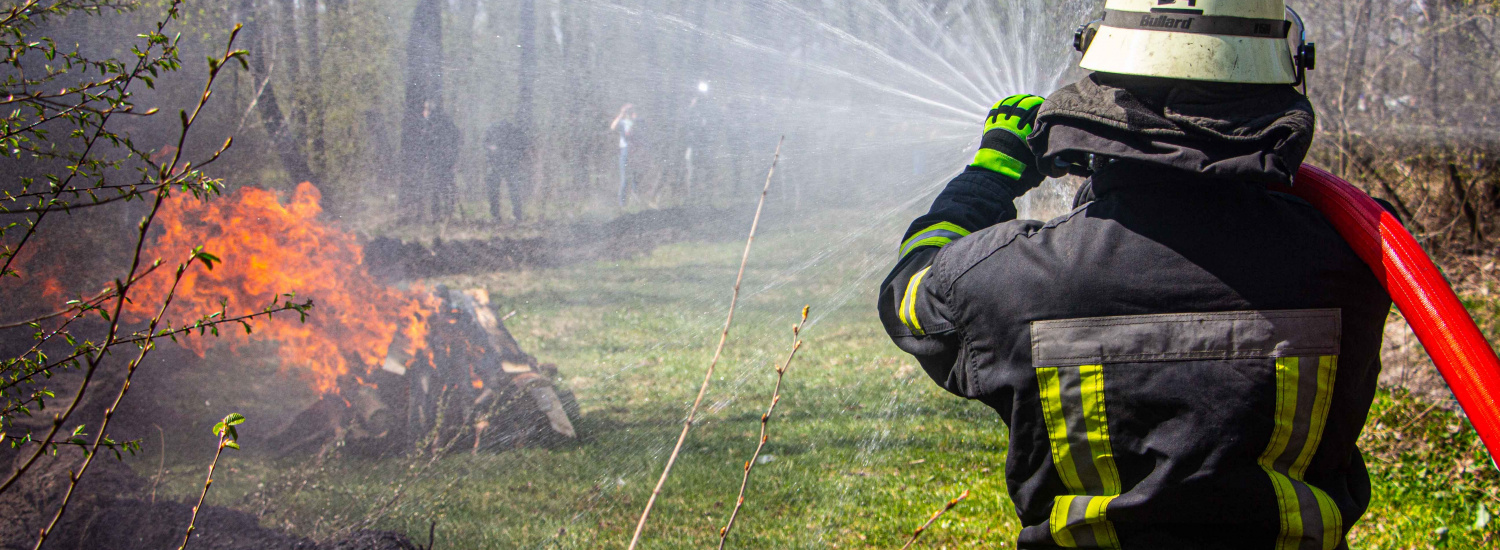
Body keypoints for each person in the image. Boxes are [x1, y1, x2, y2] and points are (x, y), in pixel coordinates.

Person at [879, 1, 1390, 548]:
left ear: (1098, 76)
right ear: (1287, 71)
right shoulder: (1356, 259)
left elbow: (909, 288)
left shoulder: (1014, 280)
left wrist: (993, 170)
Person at [484, 120, 527, 222]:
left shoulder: (515, 130)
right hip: (499, 164)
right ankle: (497, 215)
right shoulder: (493, 129)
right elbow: (486, 144)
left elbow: (522, 147)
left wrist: (514, 157)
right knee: (498, 191)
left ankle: (515, 215)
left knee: (513, 191)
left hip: (509, 165)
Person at [610, 104, 638, 207]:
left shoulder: (636, 122)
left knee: (635, 177)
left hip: (635, 151)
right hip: (625, 151)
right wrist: (621, 113)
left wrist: (635, 118)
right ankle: (622, 203)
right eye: (628, 111)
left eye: (631, 110)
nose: (629, 113)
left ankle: (635, 201)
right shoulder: (621, 122)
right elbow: (613, 127)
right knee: (624, 178)